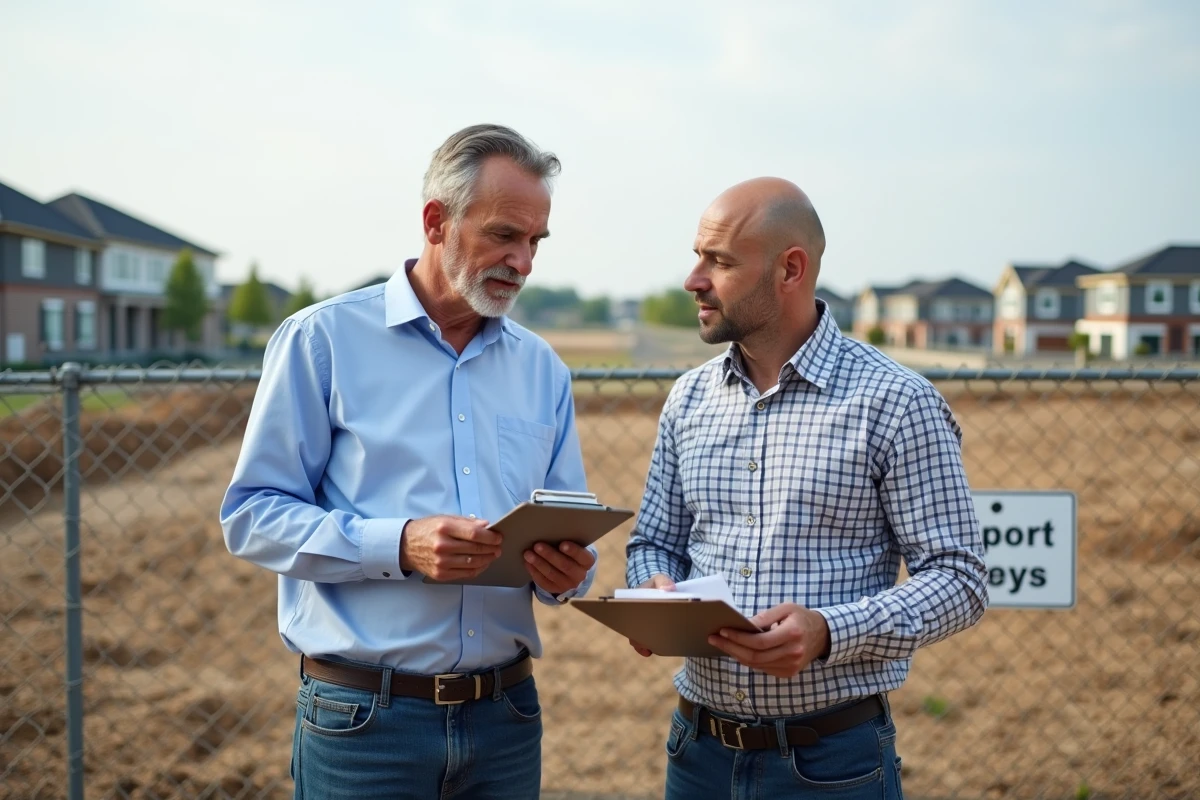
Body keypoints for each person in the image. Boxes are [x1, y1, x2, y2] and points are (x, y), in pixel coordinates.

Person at [220, 123, 598, 799]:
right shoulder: (323, 340)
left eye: (535, 241)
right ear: (435, 220)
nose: (524, 261)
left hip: (507, 720)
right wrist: (399, 543)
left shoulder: (543, 369)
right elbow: (252, 517)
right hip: (365, 724)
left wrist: (567, 572)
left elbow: (564, 526)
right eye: (505, 235)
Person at [624, 177, 988, 799]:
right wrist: (651, 590)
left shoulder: (895, 402)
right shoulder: (689, 398)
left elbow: (960, 579)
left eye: (720, 260)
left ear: (790, 269)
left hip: (830, 767)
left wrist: (827, 632)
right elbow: (652, 542)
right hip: (696, 755)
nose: (694, 280)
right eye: (698, 256)